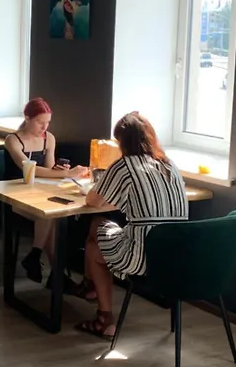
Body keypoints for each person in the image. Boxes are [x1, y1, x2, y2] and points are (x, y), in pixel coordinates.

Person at [75, 112, 188, 340]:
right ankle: (90, 287)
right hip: (174, 256)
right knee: (97, 227)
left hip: (142, 257)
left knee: (94, 242)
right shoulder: (169, 165)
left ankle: (103, 316)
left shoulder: (125, 165)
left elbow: (92, 201)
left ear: (122, 142)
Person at [4, 97, 89, 291]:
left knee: (51, 216)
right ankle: (54, 273)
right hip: (13, 195)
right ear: (27, 118)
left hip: (37, 193)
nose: (44, 127)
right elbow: (28, 168)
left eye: (47, 122)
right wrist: (66, 174)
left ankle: (41, 261)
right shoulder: (13, 139)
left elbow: (49, 169)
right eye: (40, 122)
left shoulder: (48, 138)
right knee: (49, 215)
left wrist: (59, 170)